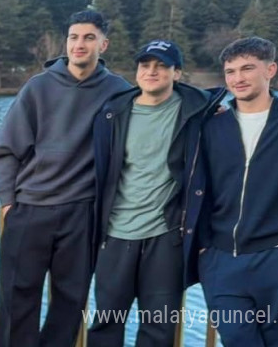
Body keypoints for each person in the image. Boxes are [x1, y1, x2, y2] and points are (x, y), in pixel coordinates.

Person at [0, 10, 131, 346]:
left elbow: (161, 107)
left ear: (103, 44)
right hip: (30, 210)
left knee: (70, 302)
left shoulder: (119, 92)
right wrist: (10, 203)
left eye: (88, 37)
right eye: (73, 37)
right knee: (16, 300)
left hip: (82, 214)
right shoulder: (38, 88)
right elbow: (5, 151)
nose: (79, 44)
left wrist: (209, 108)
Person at [188, 37, 278, 346]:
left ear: (271, 70)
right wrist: (205, 250)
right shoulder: (212, 126)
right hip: (222, 262)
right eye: (230, 71)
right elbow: (199, 188)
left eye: (247, 68)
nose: (237, 78)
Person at [88, 41, 225, 346]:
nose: (151, 72)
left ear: (177, 73)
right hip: (115, 235)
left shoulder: (197, 113)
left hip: (167, 237)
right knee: (106, 324)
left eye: (161, 66)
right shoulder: (113, 113)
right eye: (145, 65)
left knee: (158, 328)